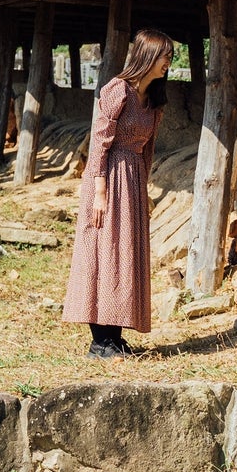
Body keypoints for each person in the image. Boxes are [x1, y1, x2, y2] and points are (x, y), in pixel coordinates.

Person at [64, 29, 172, 358]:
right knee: (104, 251)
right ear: (148, 56)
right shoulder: (117, 90)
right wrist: (98, 190)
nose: (168, 62)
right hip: (108, 178)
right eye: (165, 55)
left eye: (170, 57)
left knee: (126, 254)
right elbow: (100, 142)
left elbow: (147, 150)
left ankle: (116, 337)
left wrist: (145, 189)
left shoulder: (153, 100)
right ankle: (100, 341)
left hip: (133, 180)